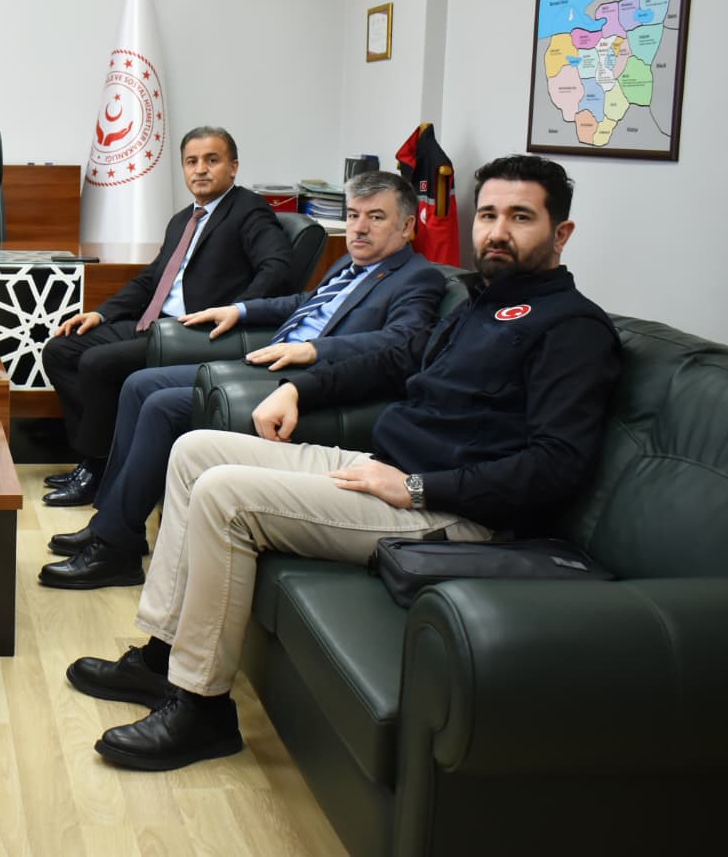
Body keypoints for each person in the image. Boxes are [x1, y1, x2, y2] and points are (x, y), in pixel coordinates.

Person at [67, 154, 620, 771]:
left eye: (520, 217)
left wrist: (418, 486)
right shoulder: (480, 302)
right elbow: (395, 363)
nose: (497, 231)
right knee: (195, 450)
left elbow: (556, 467)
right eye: (488, 214)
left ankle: (202, 709)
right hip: (382, 468)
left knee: (224, 494)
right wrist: (299, 389)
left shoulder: (573, 328)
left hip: (450, 512)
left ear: (561, 233)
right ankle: (159, 658)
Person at [41, 170, 445, 588]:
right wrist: (241, 310)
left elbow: (403, 342)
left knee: (162, 406)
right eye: (354, 215)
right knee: (139, 384)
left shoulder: (418, 277)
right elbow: (308, 301)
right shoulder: (351, 264)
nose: (359, 227)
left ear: (407, 226)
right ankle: (113, 522)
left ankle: (114, 549)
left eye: (376, 217)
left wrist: (314, 350)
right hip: (268, 363)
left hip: (307, 383)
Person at [39, 127, 292, 506]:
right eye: (192, 161)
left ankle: (96, 469)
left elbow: (277, 267)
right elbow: (152, 279)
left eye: (212, 160)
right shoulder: (183, 219)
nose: (200, 169)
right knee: (61, 349)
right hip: (155, 326)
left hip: (195, 335)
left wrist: (238, 310)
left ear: (233, 167)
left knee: (98, 362)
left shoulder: (248, 210)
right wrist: (101, 314)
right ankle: (99, 457)